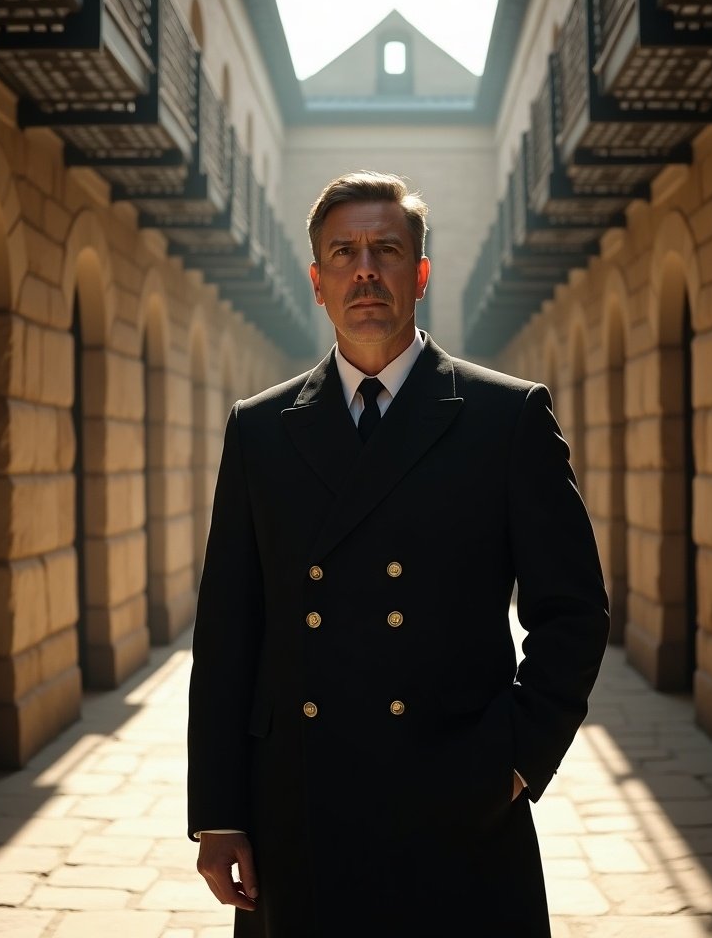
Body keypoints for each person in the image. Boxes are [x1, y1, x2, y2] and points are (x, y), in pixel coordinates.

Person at [188, 171, 609, 938]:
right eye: (343, 253)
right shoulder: (259, 428)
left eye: (386, 249)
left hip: (459, 799)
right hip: (300, 807)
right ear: (317, 283)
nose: (365, 269)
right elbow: (226, 635)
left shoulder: (506, 417)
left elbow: (573, 613)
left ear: (419, 273)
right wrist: (218, 812)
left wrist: (514, 760)